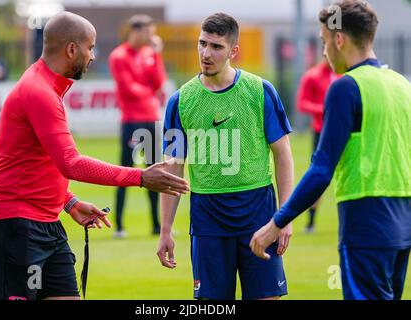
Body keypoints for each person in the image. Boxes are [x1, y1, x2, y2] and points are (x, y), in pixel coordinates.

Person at [0, 12, 189, 301]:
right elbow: (70, 162)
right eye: (90, 47)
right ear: (71, 49)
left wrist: (69, 201)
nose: (93, 56)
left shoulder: (49, 86)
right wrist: (140, 177)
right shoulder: (38, 91)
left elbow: (33, 160)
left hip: (47, 223)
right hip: (16, 226)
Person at [250, 0, 411, 300]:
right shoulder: (402, 85)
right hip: (403, 225)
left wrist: (277, 223)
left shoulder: (345, 87)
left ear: (339, 39)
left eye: (324, 41)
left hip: (366, 222)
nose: (324, 51)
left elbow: (322, 168)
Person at [157, 13, 294, 300]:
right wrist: (165, 230)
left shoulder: (260, 91)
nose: (206, 54)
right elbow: (173, 169)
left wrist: (285, 218)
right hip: (208, 217)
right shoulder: (180, 101)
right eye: (202, 44)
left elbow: (283, 156)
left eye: (216, 47)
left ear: (233, 51)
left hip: (259, 213)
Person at [108, 15, 167, 238]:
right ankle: (120, 226)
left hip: (150, 120)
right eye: (148, 33)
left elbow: (159, 83)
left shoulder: (150, 54)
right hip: (132, 121)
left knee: (155, 171)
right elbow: (128, 88)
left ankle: (156, 224)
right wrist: (148, 93)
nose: (152, 37)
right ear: (136, 31)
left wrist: (157, 55)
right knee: (125, 171)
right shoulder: (119, 56)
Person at [296, 56, 339, 233]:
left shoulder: (344, 75)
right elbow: (302, 103)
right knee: (319, 175)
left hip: (344, 130)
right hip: (321, 132)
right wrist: (322, 109)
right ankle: (311, 222)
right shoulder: (312, 76)